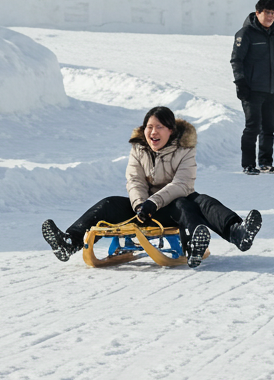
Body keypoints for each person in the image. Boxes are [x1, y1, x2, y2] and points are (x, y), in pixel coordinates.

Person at [41, 106, 262, 268]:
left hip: (173, 207)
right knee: (108, 203)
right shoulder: (138, 149)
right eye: (149, 127)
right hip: (143, 209)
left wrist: (152, 203)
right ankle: (70, 242)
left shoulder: (185, 149)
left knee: (199, 202)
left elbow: (182, 184)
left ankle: (234, 233)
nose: (152, 132)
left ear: (171, 131)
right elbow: (134, 180)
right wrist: (138, 204)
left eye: (159, 127)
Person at [232, 0, 274, 175]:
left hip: (269, 89)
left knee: (268, 128)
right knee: (252, 127)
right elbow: (236, 60)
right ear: (258, 12)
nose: (271, 16)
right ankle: (248, 164)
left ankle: (265, 162)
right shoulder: (245, 33)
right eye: (267, 12)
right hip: (251, 89)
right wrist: (240, 83)